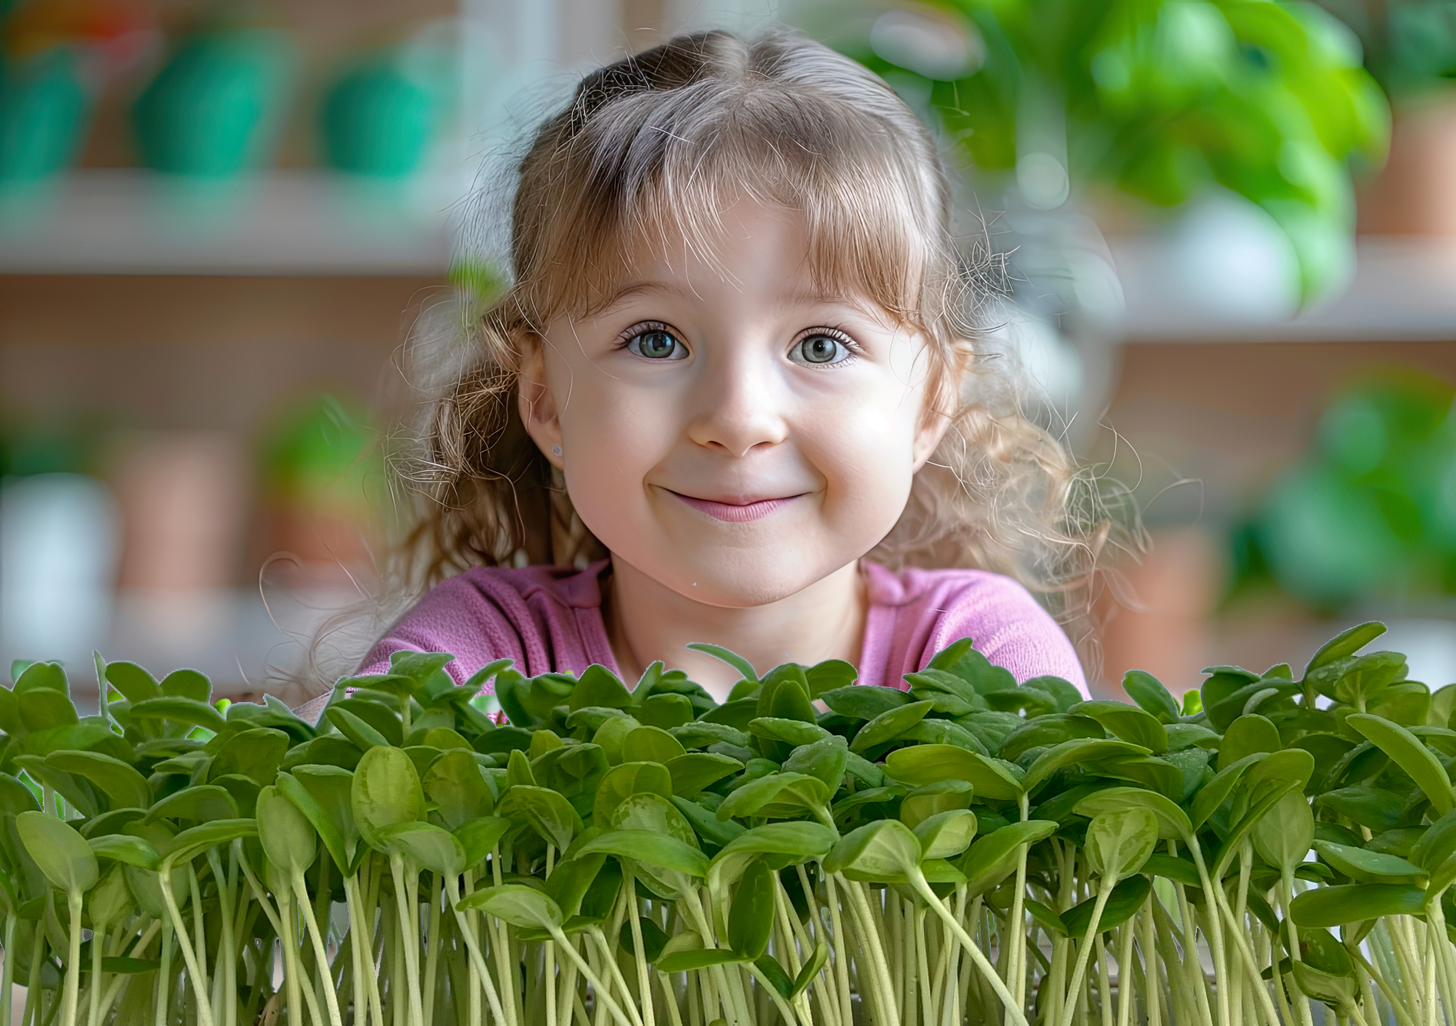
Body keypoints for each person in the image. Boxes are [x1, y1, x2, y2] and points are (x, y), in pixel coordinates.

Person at [300, 27, 1116, 717]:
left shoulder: (982, 659)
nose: (737, 416)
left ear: (931, 402)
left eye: (821, 345)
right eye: (655, 340)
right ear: (545, 397)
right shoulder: (475, 658)